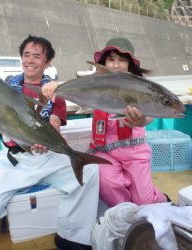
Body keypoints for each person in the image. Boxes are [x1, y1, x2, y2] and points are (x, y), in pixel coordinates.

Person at [0, 35, 99, 250]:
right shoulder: (5, 86)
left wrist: (48, 140)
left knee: (91, 172)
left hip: (47, 155)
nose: (30, 60)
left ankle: (70, 234)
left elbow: (55, 123)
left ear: (47, 63)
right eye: (26, 55)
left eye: (37, 56)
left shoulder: (55, 91)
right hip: (14, 161)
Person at [42, 37, 169, 208]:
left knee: (145, 201)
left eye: (122, 60)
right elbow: (79, 86)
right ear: (105, 63)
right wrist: (56, 86)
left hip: (135, 153)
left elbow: (149, 115)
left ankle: (159, 200)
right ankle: (127, 214)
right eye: (111, 59)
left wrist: (140, 121)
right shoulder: (97, 83)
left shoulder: (141, 87)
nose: (116, 65)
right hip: (104, 152)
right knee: (109, 185)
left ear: (130, 64)